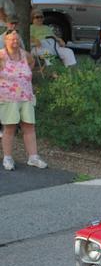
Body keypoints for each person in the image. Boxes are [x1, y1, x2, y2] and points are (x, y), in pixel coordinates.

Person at [0, 29, 47, 171]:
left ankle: (33, 157)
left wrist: (23, 77)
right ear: (5, 41)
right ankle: (7, 158)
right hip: (8, 98)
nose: (15, 42)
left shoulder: (25, 54)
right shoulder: (1, 56)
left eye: (17, 39)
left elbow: (32, 63)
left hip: (26, 96)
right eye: (11, 39)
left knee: (29, 126)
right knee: (9, 128)